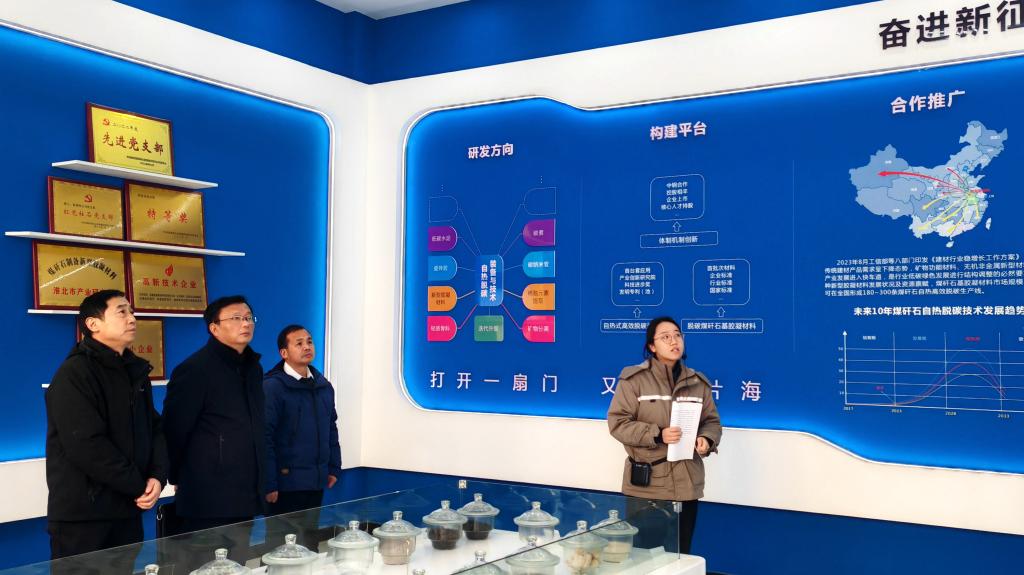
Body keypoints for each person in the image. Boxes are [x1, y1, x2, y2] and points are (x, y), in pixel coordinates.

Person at [45, 290, 167, 572]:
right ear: (93, 324)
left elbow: (154, 427)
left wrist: (157, 476)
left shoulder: (134, 371)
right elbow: (86, 444)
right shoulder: (74, 373)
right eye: (121, 311)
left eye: (131, 311)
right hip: (85, 516)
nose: (132, 318)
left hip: (127, 509)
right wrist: (138, 485)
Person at [162, 295, 265, 568]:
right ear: (214, 328)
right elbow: (174, 429)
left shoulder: (253, 369)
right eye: (236, 318)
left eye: (248, 318)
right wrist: (177, 475)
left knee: (237, 565)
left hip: (245, 491)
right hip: (207, 493)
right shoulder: (194, 370)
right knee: (205, 566)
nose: (245, 324)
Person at [607, 316, 722, 555]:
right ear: (652, 346)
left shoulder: (698, 382)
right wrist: (657, 434)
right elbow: (618, 423)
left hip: (687, 484)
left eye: (678, 335)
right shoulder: (634, 380)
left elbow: (711, 422)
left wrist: (707, 439)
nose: (674, 341)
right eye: (665, 337)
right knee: (646, 557)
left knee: (681, 556)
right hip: (648, 487)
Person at [263, 324, 342, 550]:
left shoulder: (323, 386)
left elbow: (331, 428)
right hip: (284, 484)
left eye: (309, 342)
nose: (307, 347)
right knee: (282, 548)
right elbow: (264, 437)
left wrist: (334, 466)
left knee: (309, 544)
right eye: (299, 343)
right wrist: (268, 482)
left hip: (315, 480)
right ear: (284, 353)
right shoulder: (272, 387)